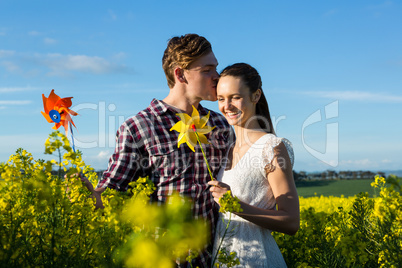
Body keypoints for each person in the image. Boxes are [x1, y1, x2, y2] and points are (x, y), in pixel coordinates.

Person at [83, 34, 234, 267]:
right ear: (180, 74)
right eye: (207, 69)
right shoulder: (139, 128)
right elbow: (113, 192)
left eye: (216, 67)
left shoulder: (221, 124)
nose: (218, 76)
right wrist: (89, 195)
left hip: (216, 259)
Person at [208, 63, 300, 267]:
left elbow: (292, 221)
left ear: (256, 96)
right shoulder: (226, 148)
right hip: (224, 259)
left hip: (259, 260)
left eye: (235, 97)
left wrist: (235, 205)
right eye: (221, 99)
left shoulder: (271, 147)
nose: (227, 106)